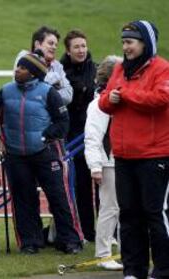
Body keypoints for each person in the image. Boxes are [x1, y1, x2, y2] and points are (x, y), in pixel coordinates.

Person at [0, 52, 82, 255]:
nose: (17, 70)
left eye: (21, 68)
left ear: (32, 73)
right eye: (18, 67)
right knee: (23, 199)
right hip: (15, 155)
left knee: (58, 197)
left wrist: (46, 137)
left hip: (45, 153)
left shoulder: (49, 93)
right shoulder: (5, 91)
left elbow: (62, 122)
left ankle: (70, 240)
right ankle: (30, 242)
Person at [99, 20, 169, 279]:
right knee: (128, 215)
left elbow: (161, 99)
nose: (126, 47)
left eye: (130, 42)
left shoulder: (162, 69)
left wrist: (124, 94)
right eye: (124, 42)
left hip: (154, 155)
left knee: (153, 214)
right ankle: (133, 271)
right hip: (124, 155)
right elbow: (105, 101)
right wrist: (111, 98)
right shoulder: (119, 69)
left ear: (145, 43)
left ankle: (163, 269)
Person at [84, 55, 123, 271]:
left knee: (122, 209)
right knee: (110, 209)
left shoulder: (119, 100)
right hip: (108, 163)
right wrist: (96, 167)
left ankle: (125, 251)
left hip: (123, 161)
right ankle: (103, 255)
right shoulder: (98, 104)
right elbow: (92, 136)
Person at [60, 29, 97, 242]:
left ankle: (107, 231)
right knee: (79, 185)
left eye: (84, 45)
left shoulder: (95, 69)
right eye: (76, 47)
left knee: (101, 185)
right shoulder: (61, 71)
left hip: (94, 136)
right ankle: (85, 231)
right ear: (68, 50)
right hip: (71, 137)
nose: (81, 50)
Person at [14, 26, 73, 105]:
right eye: (50, 43)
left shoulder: (57, 66)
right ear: (37, 44)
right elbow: (27, 89)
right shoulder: (24, 59)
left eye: (56, 45)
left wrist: (43, 93)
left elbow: (68, 96)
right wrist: (55, 80)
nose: (54, 47)